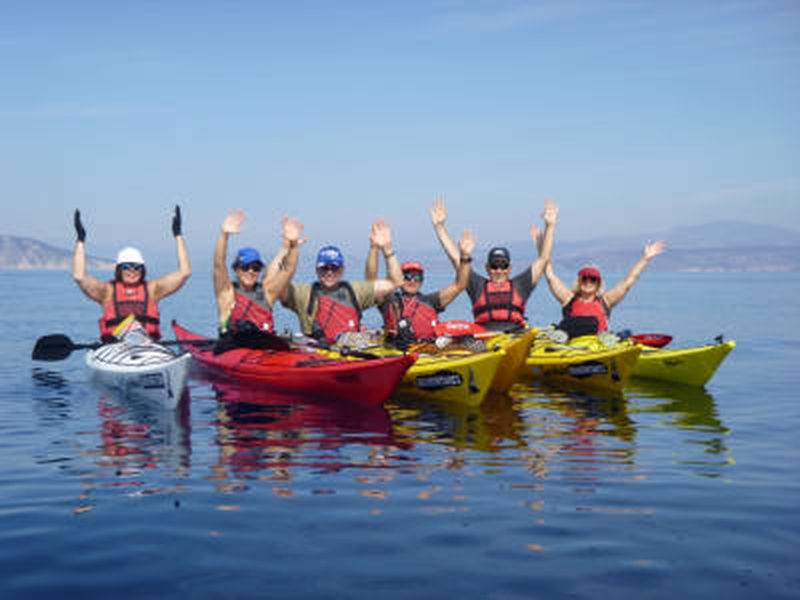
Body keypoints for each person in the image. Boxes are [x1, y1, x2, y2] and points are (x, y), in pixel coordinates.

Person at [430, 197, 558, 332]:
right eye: (494, 266)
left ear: (509, 269)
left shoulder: (521, 284)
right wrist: (439, 227)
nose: (499, 270)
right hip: (485, 337)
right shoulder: (477, 285)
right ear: (487, 268)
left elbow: (543, 259)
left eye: (503, 266)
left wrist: (550, 226)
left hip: (515, 336)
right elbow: (456, 259)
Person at [72, 205, 191, 342]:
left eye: (136, 267)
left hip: (148, 347)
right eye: (126, 267)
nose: (132, 271)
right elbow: (79, 276)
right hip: (116, 349)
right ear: (119, 270)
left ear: (142, 269)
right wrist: (80, 240)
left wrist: (178, 235)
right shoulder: (107, 292)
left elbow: (185, 272)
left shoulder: (153, 289)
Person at [280, 221, 402, 344]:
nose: (329, 272)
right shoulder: (303, 293)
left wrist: (385, 249)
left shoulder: (354, 291)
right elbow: (279, 286)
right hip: (317, 355)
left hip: (351, 354)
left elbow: (396, 282)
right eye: (324, 268)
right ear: (317, 270)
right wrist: (290, 249)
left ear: (342, 270)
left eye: (334, 268)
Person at [365, 220, 476, 345]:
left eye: (417, 277)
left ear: (422, 281)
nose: (412, 281)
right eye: (407, 276)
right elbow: (371, 283)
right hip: (398, 352)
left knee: (466, 339)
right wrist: (374, 249)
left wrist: (465, 257)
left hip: (429, 351)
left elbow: (460, 285)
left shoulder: (431, 301)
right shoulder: (390, 300)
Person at [212, 210, 303, 344]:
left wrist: (293, 245)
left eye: (255, 268)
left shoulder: (268, 293)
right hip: (234, 349)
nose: (251, 271)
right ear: (236, 270)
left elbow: (288, 270)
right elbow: (219, 265)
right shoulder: (227, 293)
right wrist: (224, 235)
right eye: (245, 267)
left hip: (266, 350)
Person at [543, 240, 667, 338]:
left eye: (592, 279)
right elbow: (550, 275)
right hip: (572, 347)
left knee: (614, 330)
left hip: (597, 346)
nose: (588, 282)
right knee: (566, 326)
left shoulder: (605, 301)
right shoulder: (568, 299)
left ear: (598, 284)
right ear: (579, 281)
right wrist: (548, 230)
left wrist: (645, 258)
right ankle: (560, 336)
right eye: (584, 279)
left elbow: (628, 282)